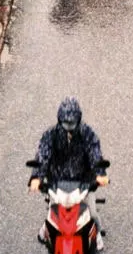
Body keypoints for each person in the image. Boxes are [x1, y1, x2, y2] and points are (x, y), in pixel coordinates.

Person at [30, 98, 108, 249]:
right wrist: (37, 177)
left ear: (79, 119)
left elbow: (95, 153)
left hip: (83, 182)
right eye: (65, 123)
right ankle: (44, 232)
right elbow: (42, 155)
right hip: (57, 182)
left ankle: (97, 234)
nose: (69, 128)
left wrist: (100, 173)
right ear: (59, 120)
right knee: (53, 215)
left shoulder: (87, 133)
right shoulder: (50, 135)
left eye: (72, 124)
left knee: (91, 213)